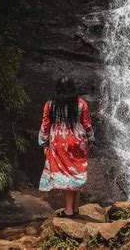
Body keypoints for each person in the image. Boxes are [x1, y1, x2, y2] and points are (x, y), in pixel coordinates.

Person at [38, 76, 94, 217]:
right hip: (78, 140)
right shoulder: (81, 104)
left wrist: (44, 143)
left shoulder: (50, 105)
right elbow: (87, 125)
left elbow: (46, 125)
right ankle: (75, 208)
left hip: (59, 141)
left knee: (65, 174)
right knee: (76, 173)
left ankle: (68, 211)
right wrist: (91, 139)